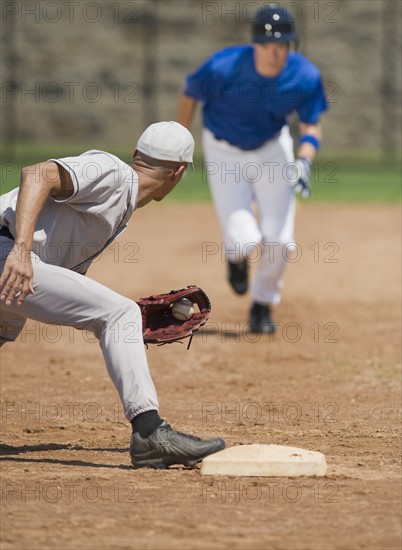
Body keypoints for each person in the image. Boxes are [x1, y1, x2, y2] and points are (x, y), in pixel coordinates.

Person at [0, 121, 225, 469]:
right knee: (119, 313)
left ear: (138, 155)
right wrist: (21, 251)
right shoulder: (114, 173)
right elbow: (37, 174)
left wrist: (129, 330)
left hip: (13, 260)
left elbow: (71, 290)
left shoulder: (118, 205)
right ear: (178, 173)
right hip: (8, 252)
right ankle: (150, 433)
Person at [178, 4, 328, 333]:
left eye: (282, 45)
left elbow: (311, 126)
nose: (275, 53)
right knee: (244, 239)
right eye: (267, 45)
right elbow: (190, 95)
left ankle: (262, 304)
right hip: (223, 150)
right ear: (255, 44)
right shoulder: (223, 67)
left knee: (281, 240)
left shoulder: (304, 75)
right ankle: (236, 257)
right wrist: (181, 140)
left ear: (291, 45)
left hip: (272, 148)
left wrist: (304, 161)